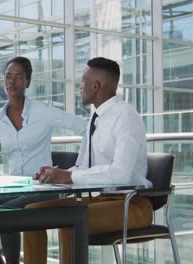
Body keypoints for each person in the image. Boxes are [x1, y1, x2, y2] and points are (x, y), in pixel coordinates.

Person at [23, 57, 153, 264]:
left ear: (96, 85)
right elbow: (84, 167)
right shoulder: (97, 118)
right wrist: (55, 174)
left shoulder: (125, 116)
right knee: (32, 214)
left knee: (70, 221)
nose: (80, 87)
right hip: (101, 200)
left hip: (132, 205)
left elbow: (121, 174)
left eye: (82, 81)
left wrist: (71, 176)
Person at [0, 56, 87, 264]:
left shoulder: (43, 112)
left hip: (42, 187)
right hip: (14, 186)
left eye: (18, 77)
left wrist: (79, 167)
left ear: (28, 82)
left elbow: (85, 127)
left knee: (4, 211)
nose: (12, 82)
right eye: (8, 76)